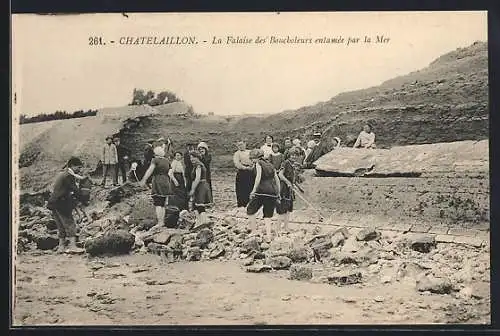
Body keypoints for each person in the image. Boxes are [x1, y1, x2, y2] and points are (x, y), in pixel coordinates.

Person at [46, 156, 86, 254]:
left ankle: (61, 247)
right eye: (79, 167)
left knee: (60, 225)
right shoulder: (68, 176)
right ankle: (72, 246)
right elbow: (74, 190)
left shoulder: (62, 174)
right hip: (61, 203)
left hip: (53, 203)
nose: (80, 170)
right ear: (72, 166)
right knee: (70, 224)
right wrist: (84, 198)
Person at [246, 149, 281, 240]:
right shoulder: (270, 165)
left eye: (252, 159)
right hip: (272, 192)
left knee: (250, 210)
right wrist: (278, 192)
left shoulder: (258, 164)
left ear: (257, 158)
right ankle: (269, 236)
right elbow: (277, 180)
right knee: (268, 215)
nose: (252, 161)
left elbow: (258, 177)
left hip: (262, 191)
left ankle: (254, 231)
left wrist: (253, 190)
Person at [139, 146, 174, 228]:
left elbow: (150, 170)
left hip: (158, 180)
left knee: (158, 202)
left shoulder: (155, 160)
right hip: (166, 181)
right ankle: (162, 222)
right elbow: (170, 172)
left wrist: (144, 179)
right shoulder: (167, 161)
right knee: (163, 202)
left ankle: (160, 222)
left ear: (155, 153)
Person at [276, 147, 304, 233]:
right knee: (282, 208)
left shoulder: (294, 165)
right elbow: (280, 175)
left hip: (290, 189)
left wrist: (298, 187)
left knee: (289, 208)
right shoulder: (285, 163)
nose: (294, 157)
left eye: (296, 155)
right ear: (289, 155)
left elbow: (293, 179)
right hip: (284, 188)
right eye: (292, 155)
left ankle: (286, 227)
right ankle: (278, 228)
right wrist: (287, 182)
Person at [188, 151, 213, 226]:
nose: (191, 159)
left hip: (201, 186)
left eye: (193, 157)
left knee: (200, 205)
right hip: (202, 185)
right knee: (195, 205)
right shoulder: (198, 165)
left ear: (197, 157)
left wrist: (192, 189)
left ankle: (204, 221)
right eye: (191, 157)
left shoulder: (198, 166)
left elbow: (197, 178)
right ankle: (199, 222)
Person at [233, 141, 254, 209]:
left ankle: (250, 203)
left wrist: (252, 166)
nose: (241, 146)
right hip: (242, 172)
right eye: (239, 145)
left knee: (250, 186)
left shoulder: (250, 152)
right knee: (241, 188)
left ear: (245, 144)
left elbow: (254, 159)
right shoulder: (237, 153)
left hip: (251, 171)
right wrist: (245, 168)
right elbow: (237, 164)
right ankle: (242, 204)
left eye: (242, 144)